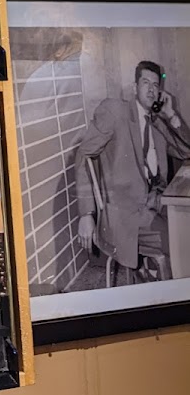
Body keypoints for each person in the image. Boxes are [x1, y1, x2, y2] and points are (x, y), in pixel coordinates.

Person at [75, 60, 190, 278]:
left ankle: (156, 274)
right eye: (145, 83)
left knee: (186, 225)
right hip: (127, 213)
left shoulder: (157, 121)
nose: (151, 89)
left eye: (155, 85)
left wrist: (172, 114)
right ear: (135, 87)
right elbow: (84, 154)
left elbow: (186, 152)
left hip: (157, 201)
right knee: (181, 240)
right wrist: (86, 214)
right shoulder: (114, 111)